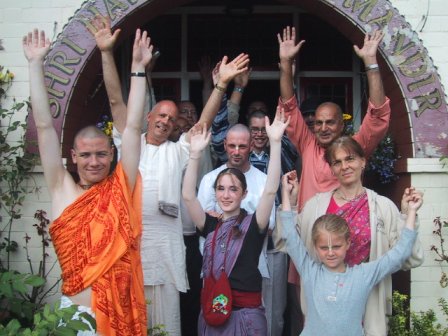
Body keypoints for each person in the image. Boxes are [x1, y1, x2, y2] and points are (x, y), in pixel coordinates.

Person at [92, 15, 250, 335]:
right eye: (161, 115)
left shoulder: (176, 151)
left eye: (172, 118)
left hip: (165, 254)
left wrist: (220, 85)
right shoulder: (130, 142)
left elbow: (202, 125)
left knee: (167, 327)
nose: (165, 121)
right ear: (149, 116)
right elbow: (114, 100)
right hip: (130, 250)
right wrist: (106, 53)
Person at [24, 27, 152, 335]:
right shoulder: (61, 188)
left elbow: (133, 127)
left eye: (100, 154)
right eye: (85, 156)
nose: (93, 162)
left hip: (122, 315)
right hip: (77, 321)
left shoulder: (122, 184)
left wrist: (137, 69)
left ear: (111, 154)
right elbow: (44, 127)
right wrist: (34, 64)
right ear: (73, 156)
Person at [276, 137, 424, 335]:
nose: (344, 166)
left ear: (363, 161)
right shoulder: (315, 205)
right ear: (332, 168)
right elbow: (288, 241)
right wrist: (290, 203)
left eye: (350, 159)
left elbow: (405, 256)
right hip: (322, 305)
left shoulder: (383, 207)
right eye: (337, 162)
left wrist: (407, 215)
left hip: (368, 298)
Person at [182, 108, 290, 334]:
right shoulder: (210, 225)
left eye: (233, 189)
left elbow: (270, 190)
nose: (226, 194)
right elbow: (188, 196)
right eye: (220, 189)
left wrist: (276, 142)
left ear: (244, 194)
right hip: (214, 313)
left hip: (246, 318)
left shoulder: (253, 225)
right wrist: (194, 154)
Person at [277, 26, 390, 210]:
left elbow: (377, 115)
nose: (323, 128)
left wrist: (371, 63)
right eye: (318, 123)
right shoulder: (307, 145)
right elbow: (289, 106)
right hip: (309, 231)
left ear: (342, 124)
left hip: (345, 231)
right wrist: (285, 62)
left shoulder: (356, 147)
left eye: (330, 122)